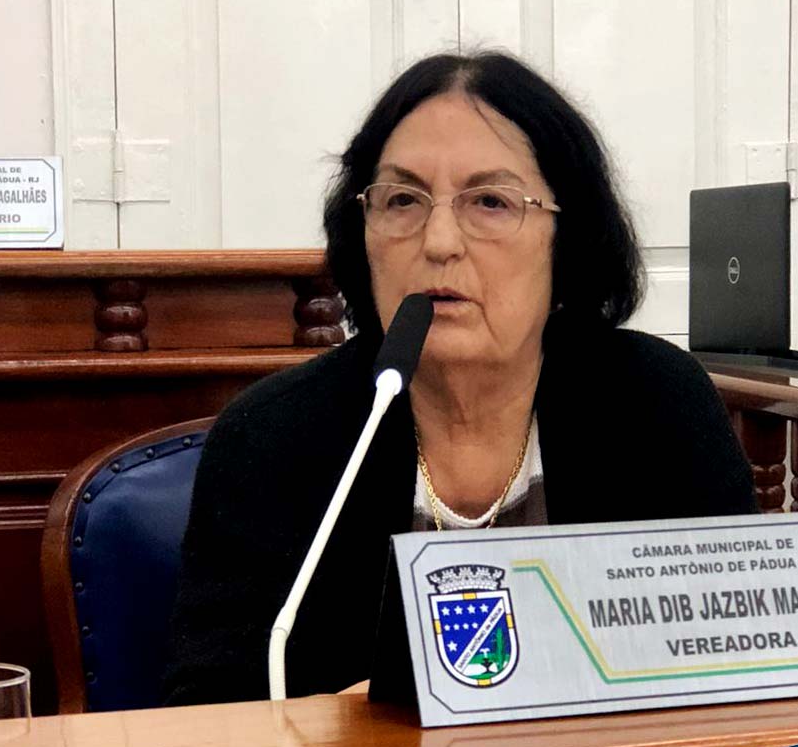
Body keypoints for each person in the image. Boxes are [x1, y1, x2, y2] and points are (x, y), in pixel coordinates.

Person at [163, 52, 756, 705]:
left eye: (490, 201)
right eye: (402, 200)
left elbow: (741, 670)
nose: (439, 240)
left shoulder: (653, 407)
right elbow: (206, 715)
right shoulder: (274, 436)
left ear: (567, 239)